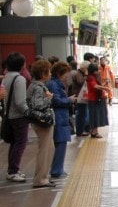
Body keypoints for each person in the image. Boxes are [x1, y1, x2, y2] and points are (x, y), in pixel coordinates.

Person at [27, 59, 56, 188]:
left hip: (40, 122)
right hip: (43, 122)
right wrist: (48, 98)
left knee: (49, 149)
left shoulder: (34, 85)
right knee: (45, 150)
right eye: (48, 71)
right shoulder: (38, 87)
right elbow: (37, 105)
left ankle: (43, 176)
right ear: (43, 73)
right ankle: (40, 179)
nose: (50, 74)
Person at [47, 61, 76, 179]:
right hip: (59, 117)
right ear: (59, 73)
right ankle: (57, 170)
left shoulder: (54, 83)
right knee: (60, 143)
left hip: (60, 116)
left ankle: (58, 168)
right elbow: (56, 101)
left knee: (60, 143)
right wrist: (69, 100)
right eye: (65, 74)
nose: (66, 77)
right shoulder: (54, 84)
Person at [3, 52, 30, 182]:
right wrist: (28, 112)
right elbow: (20, 102)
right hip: (19, 117)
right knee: (20, 143)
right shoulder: (19, 79)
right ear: (22, 64)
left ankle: (12, 169)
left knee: (14, 143)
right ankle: (13, 171)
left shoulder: (6, 77)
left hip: (9, 115)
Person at [86, 62, 111, 138]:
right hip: (94, 99)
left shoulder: (93, 77)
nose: (98, 71)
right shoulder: (91, 78)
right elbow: (95, 86)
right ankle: (94, 132)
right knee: (94, 116)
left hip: (97, 98)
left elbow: (97, 86)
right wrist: (105, 88)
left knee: (96, 115)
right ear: (93, 71)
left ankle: (95, 131)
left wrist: (104, 85)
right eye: (97, 70)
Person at [72, 61, 90, 136]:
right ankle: (80, 131)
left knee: (83, 113)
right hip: (79, 96)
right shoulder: (78, 74)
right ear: (84, 68)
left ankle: (83, 129)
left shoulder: (80, 73)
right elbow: (80, 82)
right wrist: (86, 75)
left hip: (82, 96)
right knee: (81, 114)